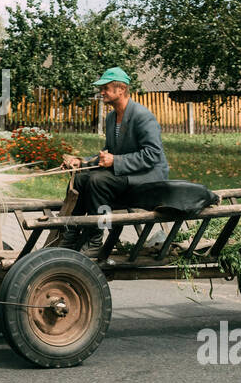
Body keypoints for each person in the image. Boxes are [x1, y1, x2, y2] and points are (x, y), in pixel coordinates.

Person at [60, 67, 168, 253]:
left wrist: (116, 161)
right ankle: (71, 233)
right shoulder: (111, 118)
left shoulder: (142, 116)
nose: (101, 92)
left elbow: (153, 154)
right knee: (80, 178)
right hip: (127, 173)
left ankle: (95, 240)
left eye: (106, 88)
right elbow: (107, 153)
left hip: (148, 177)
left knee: (98, 181)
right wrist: (81, 162)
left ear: (122, 89)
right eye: (101, 88)